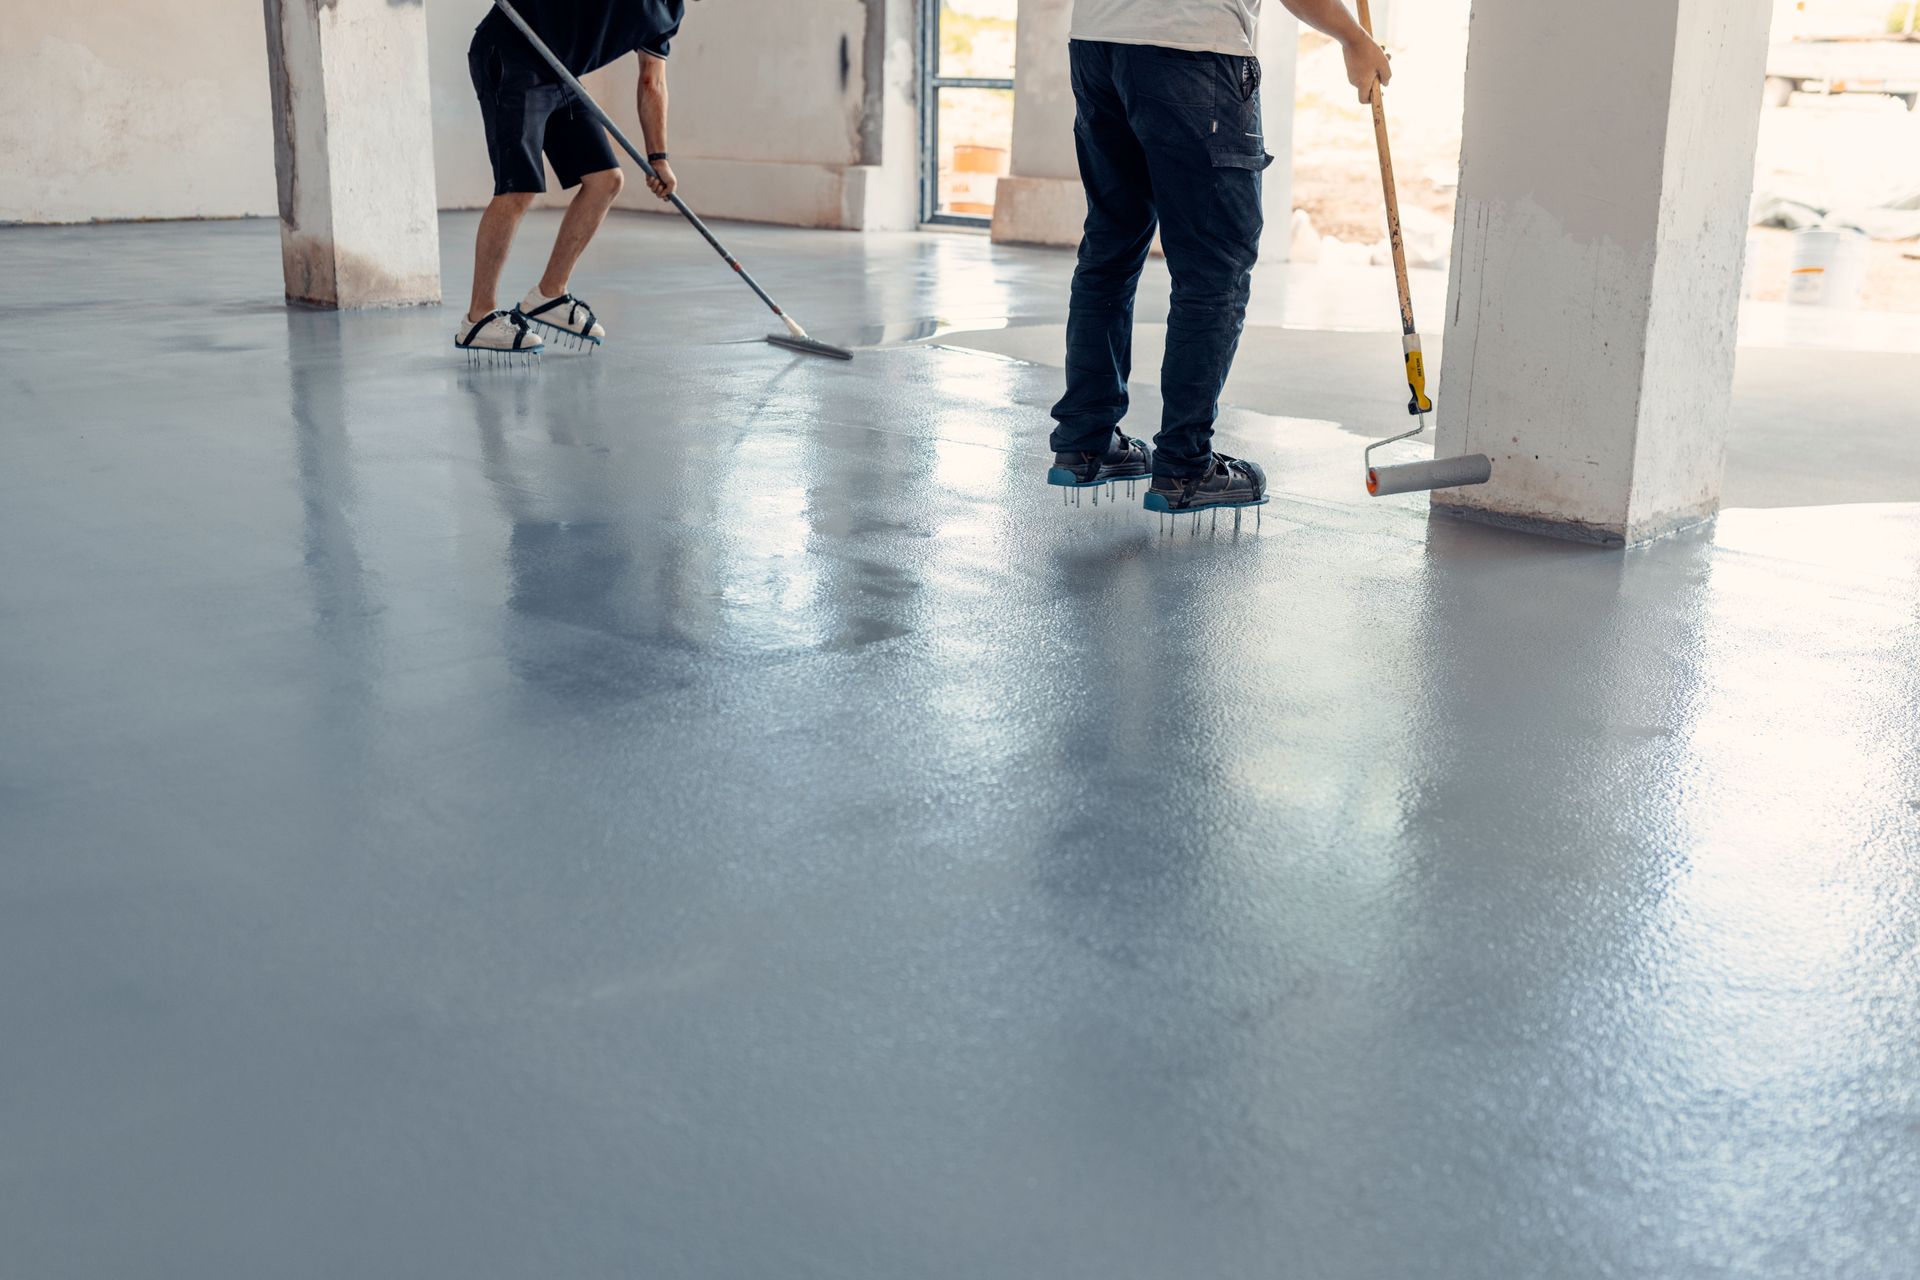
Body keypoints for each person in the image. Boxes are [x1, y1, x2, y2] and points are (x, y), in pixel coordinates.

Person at [1047, 0, 1393, 515]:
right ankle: (1186, 469)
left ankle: (1086, 443)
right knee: (1213, 269)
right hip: (1191, 50)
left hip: (1098, 45)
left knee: (1110, 248)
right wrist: (1353, 38)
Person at [456, 0, 693, 359]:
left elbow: (652, 81)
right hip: (513, 49)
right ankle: (478, 318)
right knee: (517, 187)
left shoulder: (668, 13)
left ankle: (549, 294)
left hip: (558, 71)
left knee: (605, 179)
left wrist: (658, 158)